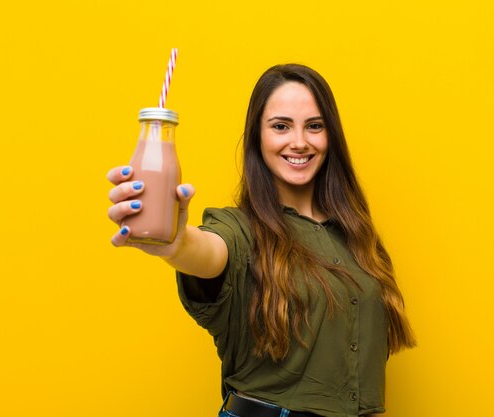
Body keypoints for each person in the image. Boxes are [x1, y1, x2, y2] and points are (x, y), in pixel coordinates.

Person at [107, 63, 416, 417]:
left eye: (314, 126)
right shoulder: (239, 231)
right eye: (281, 126)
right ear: (258, 136)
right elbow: (205, 251)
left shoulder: (357, 238)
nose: (299, 142)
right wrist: (175, 242)